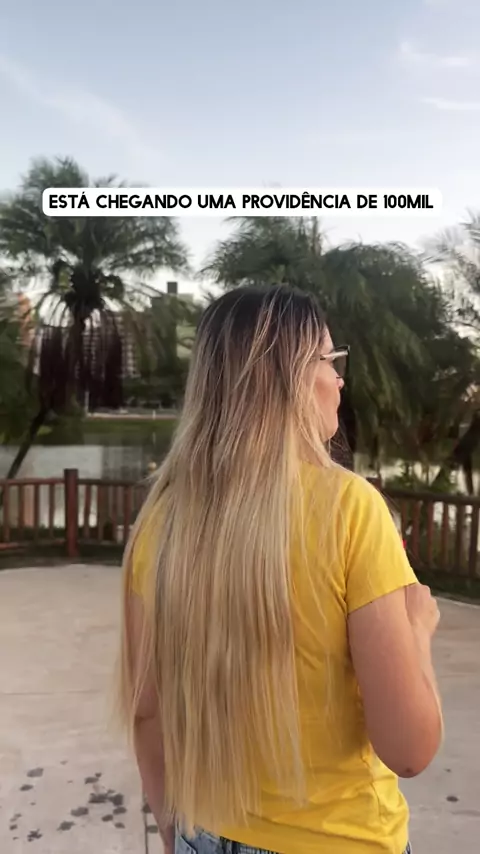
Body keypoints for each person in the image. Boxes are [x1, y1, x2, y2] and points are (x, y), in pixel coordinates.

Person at [116, 285, 443, 854]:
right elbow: (410, 750)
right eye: (329, 359)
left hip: (202, 833)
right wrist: (417, 630)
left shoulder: (161, 520)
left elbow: (148, 715)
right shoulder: (349, 509)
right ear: (288, 378)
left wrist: (176, 838)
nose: (339, 379)